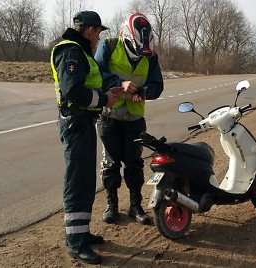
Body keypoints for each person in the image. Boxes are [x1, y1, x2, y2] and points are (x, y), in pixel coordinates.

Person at [50, 10, 122, 265]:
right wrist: (103, 99)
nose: (99, 39)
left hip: (82, 124)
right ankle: (75, 243)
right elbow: (72, 91)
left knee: (84, 182)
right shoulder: (71, 51)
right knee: (77, 183)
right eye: (99, 33)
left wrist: (104, 91)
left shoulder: (80, 52)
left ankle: (81, 233)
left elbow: (85, 84)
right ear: (91, 30)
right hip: (75, 125)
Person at [94, 13, 164, 225]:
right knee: (111, 163)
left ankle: (136, 206)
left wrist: (142, 91)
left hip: (134, 119)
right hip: (109, 117)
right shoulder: (108, 46)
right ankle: (112, 205)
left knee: (134, 163)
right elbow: (96, 74)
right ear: (126, 37)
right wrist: (120, 82)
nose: (140, 56)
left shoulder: (150, 56)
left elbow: (157, 86)